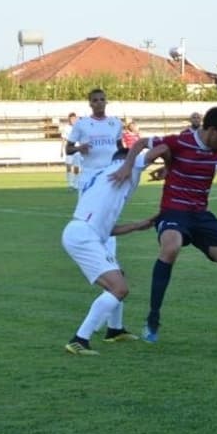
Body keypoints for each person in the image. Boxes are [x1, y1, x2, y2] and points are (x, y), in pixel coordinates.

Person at [113, 106, 217, 345]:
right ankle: (153, 317)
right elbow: (140, 144)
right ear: (211, 130)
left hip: (201, 216)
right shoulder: (180, 141)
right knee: (171, 247)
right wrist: (128, 166)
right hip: (174, 211)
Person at [62, 148, 159, 355]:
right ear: (123, 161)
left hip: (84, 232)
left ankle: (114, 330)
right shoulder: (122, 168)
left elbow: (107, 229)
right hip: (84, 236)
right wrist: (169, 164)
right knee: (119, 288)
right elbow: (158, 150)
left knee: (118, 278)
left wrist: (137, 225)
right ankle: (79, 339)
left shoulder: (103, 179)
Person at [65, 88, 125, 254]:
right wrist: (79, 147)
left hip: (110, 177)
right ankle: (89, 251)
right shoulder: (82, 124)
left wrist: (124, 165)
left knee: (108, 216)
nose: (99, 103)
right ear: (90, 104)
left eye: (102, 99)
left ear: (106, 102)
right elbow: (68, 149)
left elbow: (120, 148)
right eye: (95, 100)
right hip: (89, 176)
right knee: (86, 217)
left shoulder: (116, 123)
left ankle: (109, 256)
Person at [60, 112, 81, 190]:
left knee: (76, 168)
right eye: (71, 119)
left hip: (77, 149)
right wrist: (61, 150)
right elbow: (63, 139)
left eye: (74, 118)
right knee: (68, 167)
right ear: (69, 119)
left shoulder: (79, 127)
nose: (73, 120)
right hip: (69, 149)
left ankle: (76, 184)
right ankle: (70, 184)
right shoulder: (66, 128)